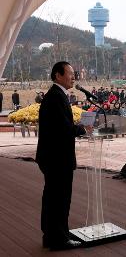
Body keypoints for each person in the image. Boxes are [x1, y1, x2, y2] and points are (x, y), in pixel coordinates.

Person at [36, 61, 91, 250]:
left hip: (53, 157)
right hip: (57, 158)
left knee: (52, 198)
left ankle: (51, 236)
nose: (73, 76)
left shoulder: (57, 95)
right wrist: (83, 128)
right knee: (59, 199)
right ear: (58, 75)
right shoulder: (56, 97)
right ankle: (59, 239)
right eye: (70, 73)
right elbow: (63, 128)